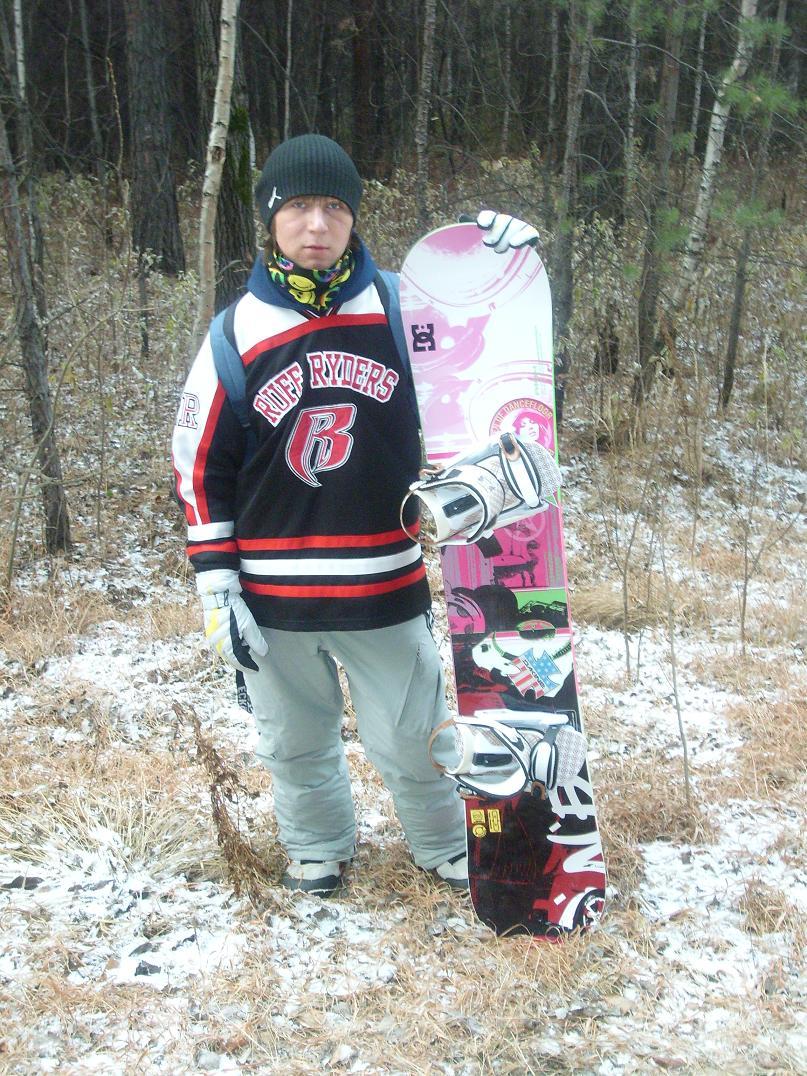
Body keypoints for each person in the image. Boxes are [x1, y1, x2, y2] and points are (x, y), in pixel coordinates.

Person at [172, 134, 537, 897]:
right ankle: (317, 847)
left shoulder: (404, 307)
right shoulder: (234, 332)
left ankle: (441, 842)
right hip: (273, 597)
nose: (317, 224)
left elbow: (485, 364)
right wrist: (216, 586)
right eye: (299, 206)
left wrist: (498, 270)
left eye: (334, 207)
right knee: (293, 741)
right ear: (270, 217)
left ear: (353, 216)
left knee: (412, 737)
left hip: (383, 582)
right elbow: (200, 464)